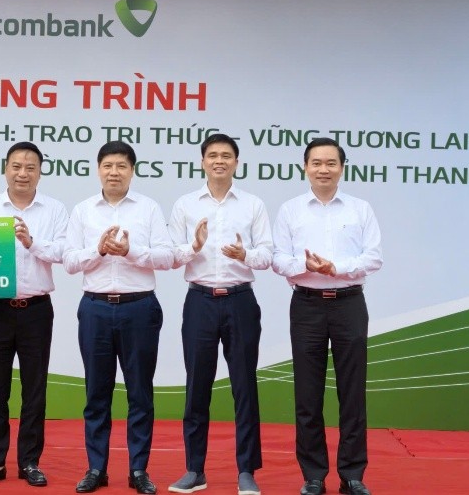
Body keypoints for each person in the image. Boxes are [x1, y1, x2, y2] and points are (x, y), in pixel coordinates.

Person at [272, 138, 382, 495]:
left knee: (352, 393)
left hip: (349, 304)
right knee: (308, 395)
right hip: (307, 305)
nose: (323, 169)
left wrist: (337, 268)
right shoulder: (290, 210)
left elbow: (373, 257)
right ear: (305, 167)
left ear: (342, 168)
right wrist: (305, 266)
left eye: (331, 163)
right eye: (316, 163)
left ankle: (352, 475)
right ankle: (314, 475)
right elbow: (278, 259)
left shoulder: (360, 209)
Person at [64, 141, 174, 495]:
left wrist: (130, 251)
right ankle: (96, 468)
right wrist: (98, 251)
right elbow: (69, 262)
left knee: (140, 393)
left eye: (121, 166)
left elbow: (166, 257)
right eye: (108, 165)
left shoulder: (148, 208)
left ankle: (138, 469)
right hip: (95, 308)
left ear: (132, 171)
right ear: (98, 169)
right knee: (97, 393)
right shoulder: (82, 210)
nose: (114, 172)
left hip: (139, 308)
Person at [166, 134, 272, 495]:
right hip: (200, 301)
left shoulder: (253, 205)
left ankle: (247, 471)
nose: (219, 161)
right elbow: (171, 255)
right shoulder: (185, 204)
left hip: (240, 301)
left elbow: (267, 254)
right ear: (202, 162)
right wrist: (193, 246)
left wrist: (246, 256)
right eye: (212, 155)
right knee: (197, 386)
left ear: (236, 163)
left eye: (226, 155)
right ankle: (194, 469)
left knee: (244, 387)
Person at [0, 142, 68, 488]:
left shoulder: (54, 209)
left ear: (40, 172)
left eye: (30, 167)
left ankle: (29, 462)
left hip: (36, 311)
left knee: (35, 389)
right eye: (16, 166)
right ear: (5, 170)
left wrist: (32, 242)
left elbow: (63, 251)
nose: (22, 173)